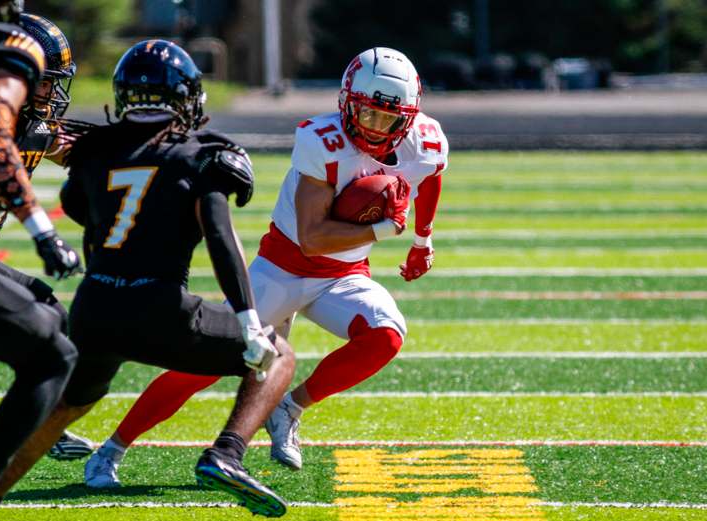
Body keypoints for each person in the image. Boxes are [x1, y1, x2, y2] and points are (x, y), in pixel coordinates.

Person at [83, 46, 448, 484]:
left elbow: (430, 176)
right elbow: (313, 240)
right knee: (200, 366)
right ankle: (112, 449)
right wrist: (387, 231)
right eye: (365, 114)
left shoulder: (427, 141)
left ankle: (288, 409)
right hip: (282, 267)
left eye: (387, 118)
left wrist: (423, 241)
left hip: (344, 275)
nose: (373, 128)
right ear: (346, 100)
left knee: (386, 335)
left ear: (408, 116)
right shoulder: (321, 140)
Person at [0, 39, 296, 520]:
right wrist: (250, 321)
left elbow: (75, 206)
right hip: (161, 309)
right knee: (279, 357)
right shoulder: (202, 154)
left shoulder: (92, 151)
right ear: (187, 98)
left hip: (94, 307)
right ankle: (226, 454)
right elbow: (219, 236)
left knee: (64, 409)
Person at [0, 1, 84, 521]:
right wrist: (42, 229)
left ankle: (36, 419)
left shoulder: (28, 124)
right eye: (45, 80)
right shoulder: (2, 72)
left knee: (48, 315)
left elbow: (38, 138)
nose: (47, 91)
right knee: (50, 348)